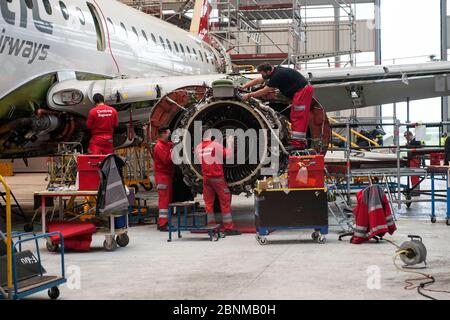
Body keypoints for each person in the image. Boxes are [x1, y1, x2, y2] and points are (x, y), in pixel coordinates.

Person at [240, 63, 313, 149]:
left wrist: (249, 95)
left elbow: (265, 91)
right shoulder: (274, 71)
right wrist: (244, 86)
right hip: (301, 91)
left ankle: (298, 144)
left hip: (302, 92)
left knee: (298, 116)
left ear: (268, 71)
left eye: (262, 73)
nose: (262, 75)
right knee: (296, 115)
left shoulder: (277, 76)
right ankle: (299, 142)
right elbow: (259, 80)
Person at [195, 128, 241, 236]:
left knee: (209, 203)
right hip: (217, 178)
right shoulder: (214, 145)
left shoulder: (198, 147)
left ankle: (211, 226)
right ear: (210, 134)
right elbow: (228, 155)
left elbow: (200, 160)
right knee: (225, 200)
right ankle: (229, 228)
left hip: (206, 179)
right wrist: (229, 143)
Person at [153, 126, 174, 231]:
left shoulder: (166, 144)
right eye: (169, 133)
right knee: (164, 200)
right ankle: (162, 224)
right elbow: (166, 160)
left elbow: (170, 145)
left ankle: (164, 222)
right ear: (164, 133)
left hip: (167, 175)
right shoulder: (159, 146)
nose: (169, 135)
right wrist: (174, 151)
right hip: (162, 176)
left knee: (167, 199)